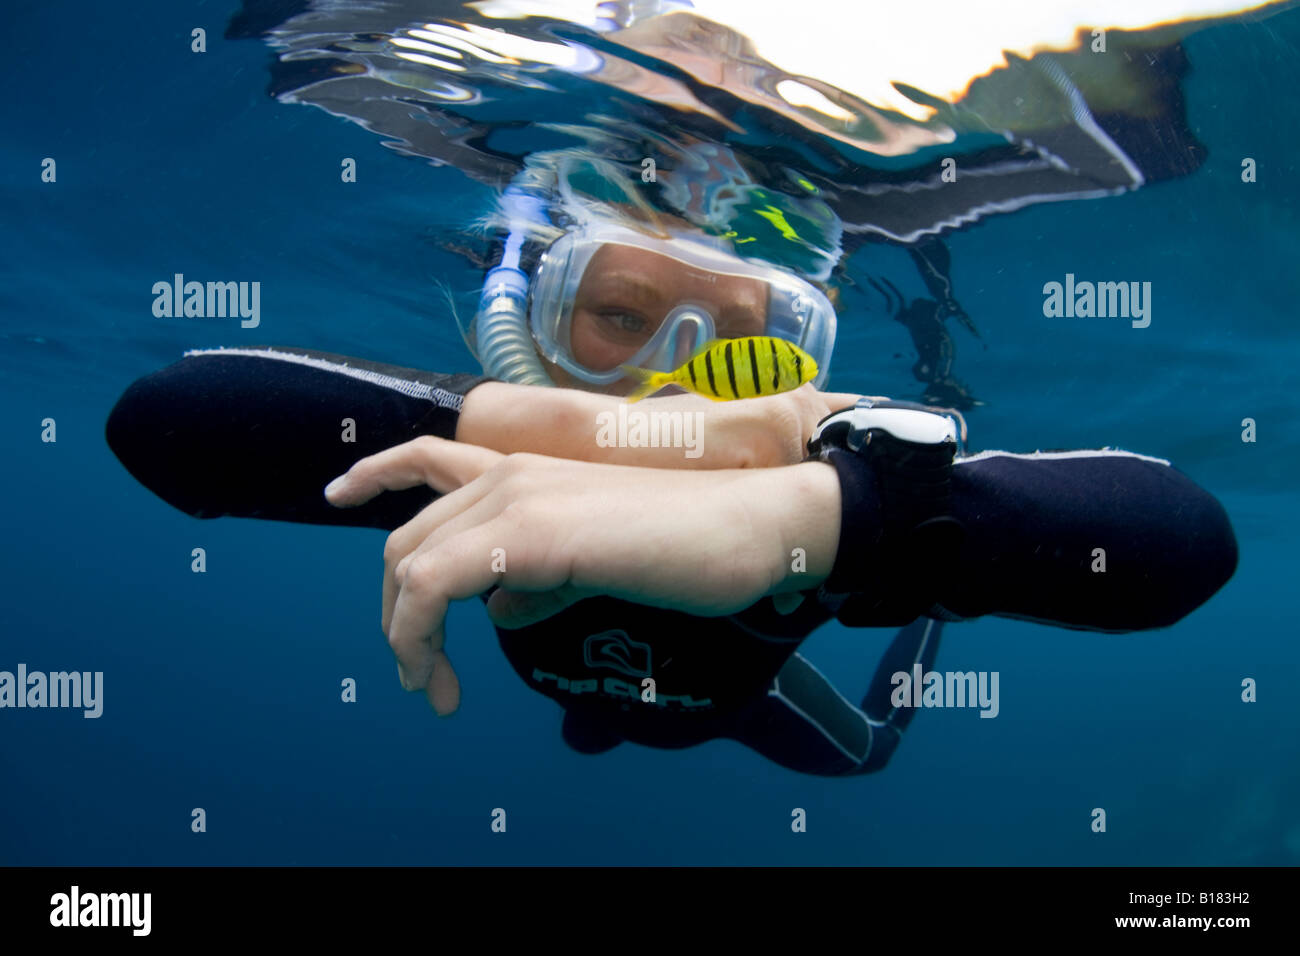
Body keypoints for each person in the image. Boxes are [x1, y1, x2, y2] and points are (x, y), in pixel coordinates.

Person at [106, 194, 1239, 775]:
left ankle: (924, 637)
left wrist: (817, 511)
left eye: (747, 341)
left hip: (734, 711)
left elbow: (1181, 543)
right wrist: (545, 425)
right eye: (615, 316)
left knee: (870, 751)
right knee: (592, 728)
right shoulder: (479, 462)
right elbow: (169, 423)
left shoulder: (809, 469)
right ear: (523, 325)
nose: (674, 372)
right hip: (591, 701)